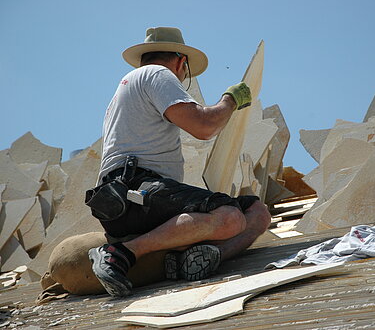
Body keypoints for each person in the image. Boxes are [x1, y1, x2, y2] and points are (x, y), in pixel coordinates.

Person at [87, 27, 271, 297]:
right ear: (180, 61)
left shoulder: (130, 86)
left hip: (129, 197)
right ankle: (120, 254)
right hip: (133, 190)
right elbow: (204, 126)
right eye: (185, 70)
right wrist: (230, 101)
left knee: (257, 214)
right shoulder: (157, 74)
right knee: (230, 217)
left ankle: (202, 259)